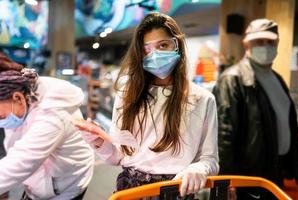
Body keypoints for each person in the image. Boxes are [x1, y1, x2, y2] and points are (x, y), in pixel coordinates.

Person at [75, 12, 219, 198]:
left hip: (176, 191)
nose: (156, 54)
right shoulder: (128, 93)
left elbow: (210, 159)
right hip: (131, 191)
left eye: (163, 45)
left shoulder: (202, 99)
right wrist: (97, 140)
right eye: (147, 49)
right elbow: (119, 155)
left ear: (178, 45)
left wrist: (199, 168)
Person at [213, 18, 298, 199]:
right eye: (259, 41)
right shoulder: (232, 79)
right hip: (248, 177)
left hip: (275, 171)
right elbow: (223, 134)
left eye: (270, 42)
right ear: (246, 44)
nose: (265, 46)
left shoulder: (277, 79)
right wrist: (227, 179)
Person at [0, 53, 94, 200]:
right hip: (40, 179)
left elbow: (21, 161)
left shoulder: (52, 112)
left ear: (17, 98)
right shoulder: (19, 96)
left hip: (64, 184)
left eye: (0, 117)